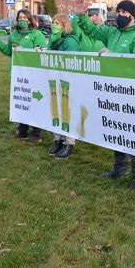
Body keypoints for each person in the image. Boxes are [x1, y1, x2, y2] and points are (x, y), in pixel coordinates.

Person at [75, 0, 135, 190]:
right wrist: (81, 15)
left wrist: (112, 56)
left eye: (123, 13)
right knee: (117, 130)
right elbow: (91, 30)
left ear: (132, 16)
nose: (119, 16)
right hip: (114, 90)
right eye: (118, 12)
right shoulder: (113, 31)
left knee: (132, 134)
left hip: (132, 92)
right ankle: (120, 168)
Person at [0, 9, 47, 143]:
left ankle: (36, 132)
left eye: (25, 18)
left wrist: (24, 51)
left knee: (34, 102)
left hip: (33, 75)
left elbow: (41, 53)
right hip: (17, 75)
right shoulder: (14, 35)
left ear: (30, 20)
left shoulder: (37, 34)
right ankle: (22, 129)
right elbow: (9, 52)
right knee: (21, 102)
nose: (22, 20)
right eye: (20, 17)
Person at [45, 14, 81, 159]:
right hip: (54, 80)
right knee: (55, 109)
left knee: (67, 111)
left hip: (67, 81)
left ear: (64, 25)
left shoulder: (70, 41)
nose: (54, 25)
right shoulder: (52, 40)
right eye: (53, 23)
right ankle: (57, 139)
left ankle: (69, 143)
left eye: (57, 23)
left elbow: (72, 60)